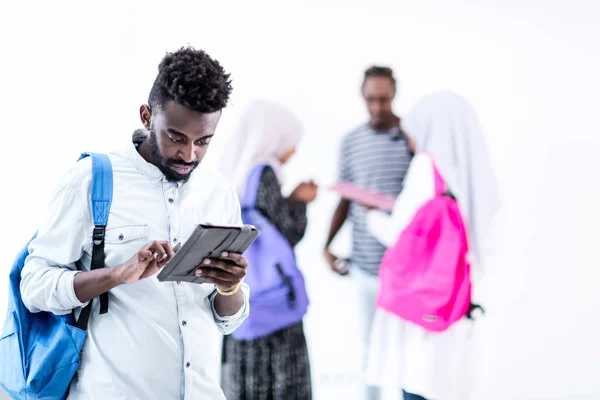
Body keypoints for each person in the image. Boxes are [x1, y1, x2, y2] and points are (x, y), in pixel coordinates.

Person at [19, 46, 251, 400]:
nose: (189, 155)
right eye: (176, 137)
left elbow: (228, 321)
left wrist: (230, 288)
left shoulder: (218, 193)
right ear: (146, 116)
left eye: (203, 142)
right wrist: (116, 275)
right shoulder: (91, 181)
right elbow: (34, 286)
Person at [364, 91, 500, 400]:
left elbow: (397, 234)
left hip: (421, 304)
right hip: (457, 302)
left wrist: (372, 216)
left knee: (416, 384)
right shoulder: (476, 172)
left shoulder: (426, 166)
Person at [323, 66, 413, 400]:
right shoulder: (351, 142)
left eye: (383, 99)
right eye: (370, 99)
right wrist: (327, 246)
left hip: (406, 269)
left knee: (407, 354)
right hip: (364, 265)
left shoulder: (411, 139)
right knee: (370, 351)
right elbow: (345, 199)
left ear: (394, 95)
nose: (376, 107)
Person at [218, 100, 317, 400]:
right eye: (290, 142)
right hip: (274, 304)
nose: (293, 151)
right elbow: (287, 232)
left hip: (245, 293)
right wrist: (300, 201)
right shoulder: (264, 173)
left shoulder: (236, 172)